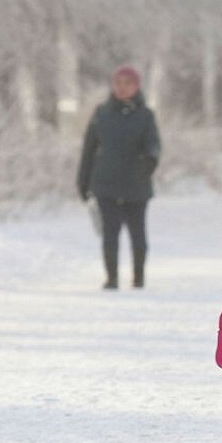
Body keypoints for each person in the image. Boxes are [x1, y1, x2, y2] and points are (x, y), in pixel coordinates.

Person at [77, 65, 161, 289]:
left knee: (138, 235)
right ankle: (111, 277)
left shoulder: (145, 115)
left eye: (127, 83)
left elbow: (153, 145)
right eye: (118, 83)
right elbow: (89, 149)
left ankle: (138, 277)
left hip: (137, 185)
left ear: (136, 86)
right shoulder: (101, 113)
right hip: (106, 184)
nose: (122, 88)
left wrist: (148, 162)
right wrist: (83, 182)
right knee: (109, 234)